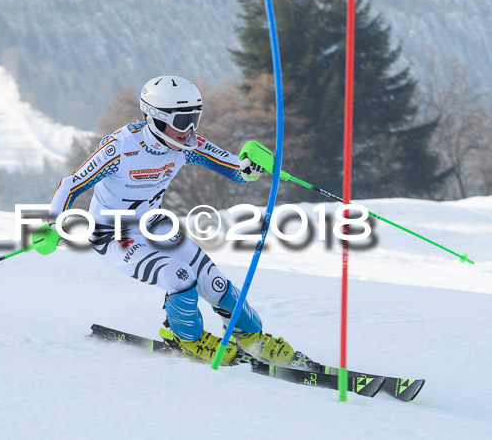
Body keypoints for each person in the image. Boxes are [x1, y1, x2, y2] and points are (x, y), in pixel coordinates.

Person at [49, 75, 309, 367]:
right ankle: (186, 339)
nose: (190, 129)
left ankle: (250, 338)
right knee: (180, 277)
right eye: (182, 120)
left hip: (154, 225)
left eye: (194, 118)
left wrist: (253, 165)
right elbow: (71, 183)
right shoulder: (121, 148)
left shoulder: (185, 145)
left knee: (217, 285)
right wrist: (51, 225)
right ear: (157, 118)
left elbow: (235, 168)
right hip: (112, 234)